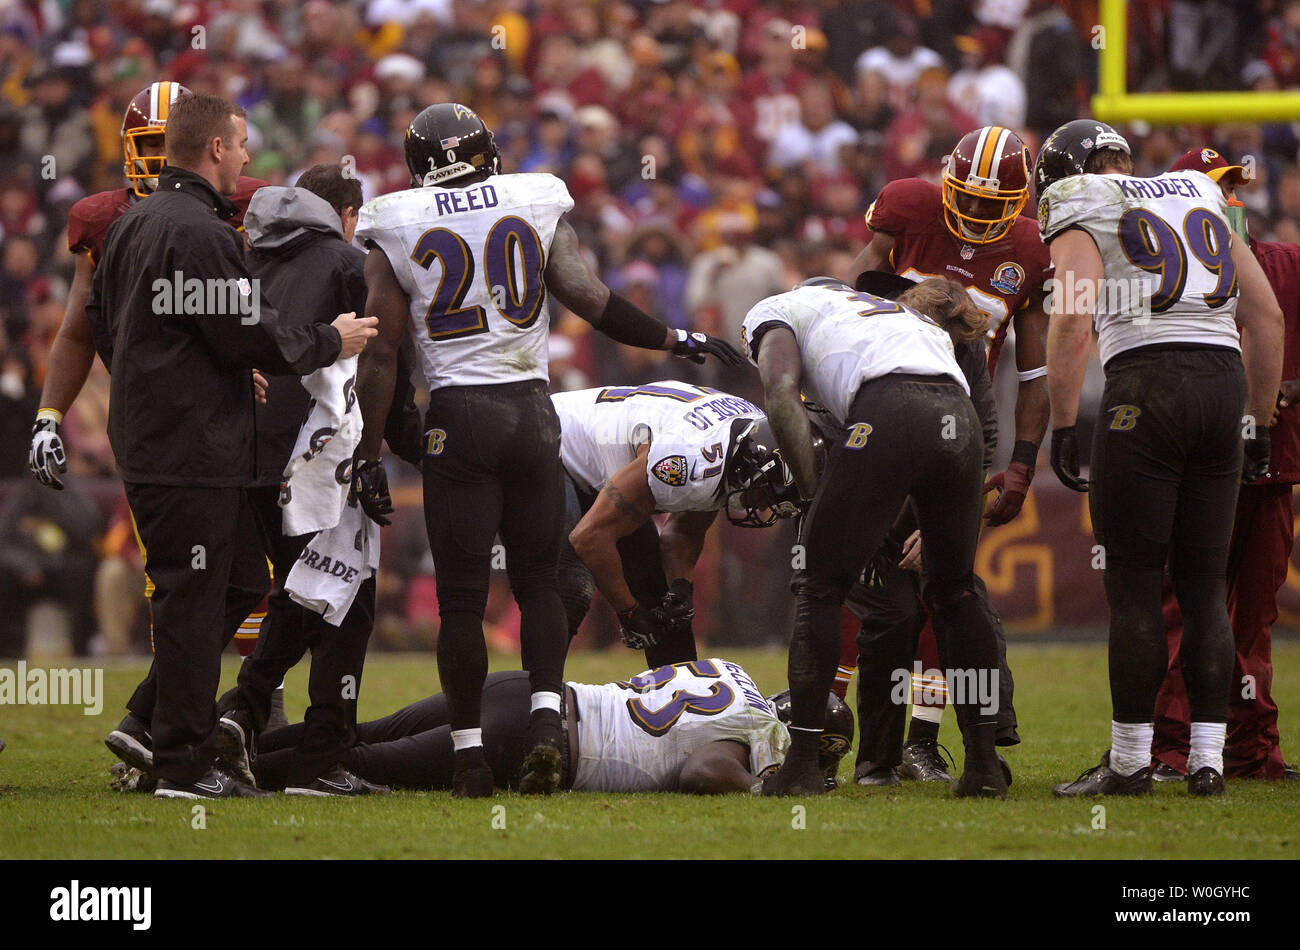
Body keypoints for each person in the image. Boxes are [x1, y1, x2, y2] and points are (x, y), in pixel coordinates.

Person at [352, 103, 742, 799]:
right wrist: (674, 341)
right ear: (484, 153)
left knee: (463, 602)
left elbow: (381, 351)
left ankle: (471, 760)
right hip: (533, 415)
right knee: (541, 585)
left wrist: (367, 449)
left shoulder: (395, 220)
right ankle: (542, 726)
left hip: (458, 418)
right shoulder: (531, 198)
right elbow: (592, 300)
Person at [85, 91, 379, 800]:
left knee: (243, 580)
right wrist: (329, 341)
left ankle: (154, 721)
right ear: (215, 147)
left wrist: (195, 369)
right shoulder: (203, 232)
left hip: (161, 437)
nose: (247, 158)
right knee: (191, 601)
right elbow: (258, 333)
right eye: (240, 145)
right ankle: (181, 765)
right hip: (190, 449)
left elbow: (106, 325)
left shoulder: (134, 225)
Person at [24, 81, 282, 772]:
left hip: (234, 418)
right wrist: (49, 415)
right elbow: (79, 331)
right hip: (171, 432)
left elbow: (248, 309)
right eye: (148, 146)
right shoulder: (108, 220)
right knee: (187, 584)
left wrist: (249, 353)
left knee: (241, 577)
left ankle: (208, 712)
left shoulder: (241, 202)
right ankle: (181, 743)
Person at [1037, 121, 1283, 798]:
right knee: (1205, 584)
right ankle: (1206, 760)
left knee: (1137, 582)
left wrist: (1062, 422)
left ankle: (1129, 763)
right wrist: (1258, 421)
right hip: (1222, 385)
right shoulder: (1200, 189)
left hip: (1147, 387)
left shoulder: (1081, 197)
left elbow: (1073, 316)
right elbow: (1265, 316)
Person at [743, 276, 1008, 798]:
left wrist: (811, 492)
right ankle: (982, 765)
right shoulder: (893, 314)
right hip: (958, 414)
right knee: (954, 592)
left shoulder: (778, 307)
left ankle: (800, 766)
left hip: (889, 409)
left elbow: (779, 394)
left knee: (819, 587)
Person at [843, 126, 1048, 784]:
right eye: (973, 200)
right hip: (877, 420)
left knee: (943, 591)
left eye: (999, 205)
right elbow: (850, 302)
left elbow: (1033, 376)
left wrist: (1017, 464)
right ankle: (835, 728)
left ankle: (921, 743)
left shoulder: (1032, 251)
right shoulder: (907, 207)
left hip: (957, 435)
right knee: (865, 586)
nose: (984, 216)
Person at [213, 164, 425, 796]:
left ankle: (244, 719)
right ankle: (306, 747)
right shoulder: (349, 263)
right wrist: (423, 452)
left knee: (300, 594)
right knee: (346, 602)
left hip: (250, 456)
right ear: (349, 215)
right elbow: (385, 364)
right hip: (319, 459)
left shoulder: (251, 261)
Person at [1151, 148, 1299, 782]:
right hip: (1199, 462)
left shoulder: (1285, 263)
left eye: (1234, 187)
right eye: (1218, 188)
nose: (1230, 199)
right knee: (1184, 609)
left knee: (1251, 617)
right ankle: (1174, 748)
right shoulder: (1158, 264)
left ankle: (1247, 747)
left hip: (1266, 466)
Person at [243, 660, 854, 795]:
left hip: (527, 691)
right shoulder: (755, 733)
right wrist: (754, 786)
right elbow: (700, 769)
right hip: (541, 740)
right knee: (363, 765)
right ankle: (233, 772)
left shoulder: (734, 673)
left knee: (362, 732)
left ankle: (227, 747)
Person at [553, 382, 800, 667]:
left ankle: (680, 701)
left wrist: (681, 586)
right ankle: (537, 701)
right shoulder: (690, 457)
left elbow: (684, 530)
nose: (762, 506)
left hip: (603, 464)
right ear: (752, 464)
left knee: (664, 606)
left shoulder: (731, 448)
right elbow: (589, 539)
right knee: (570, 587)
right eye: (764, 494)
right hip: (553, 442)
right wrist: (628, 613)